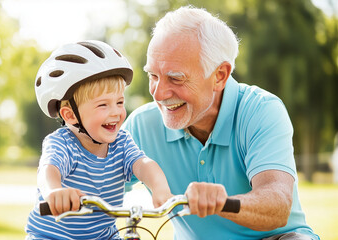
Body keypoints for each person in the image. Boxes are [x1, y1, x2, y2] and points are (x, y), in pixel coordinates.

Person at [123, 6, 319, 240]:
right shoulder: (142, 125)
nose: (159, 93)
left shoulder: (261, 110)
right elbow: (95, 181)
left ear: (220, 75)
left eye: (176, 78)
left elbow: (277, 205)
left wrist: (222, 203)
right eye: (153, 76)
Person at [25, 40, 173, 240]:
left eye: (119, 102)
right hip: (53, 237)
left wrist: (160, 187)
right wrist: (54, 192)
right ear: (70, 116)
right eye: (103, 105)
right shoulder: (63, 143)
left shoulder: (121, 142)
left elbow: (142, 164)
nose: (116, 112)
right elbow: (48, 170)